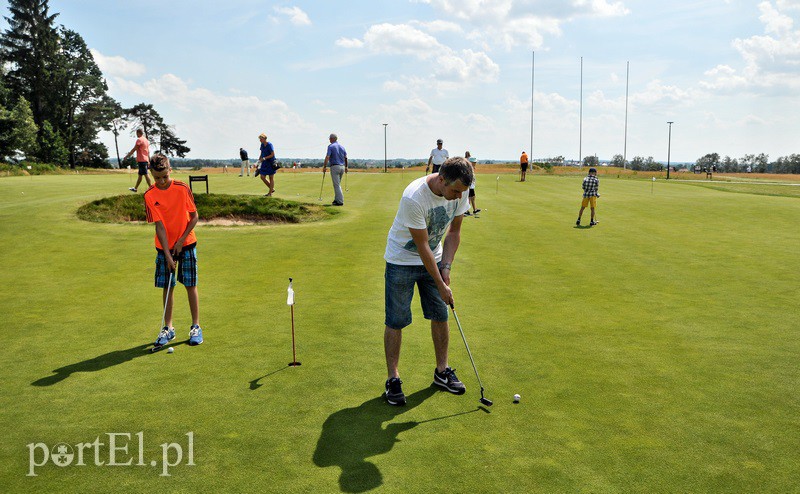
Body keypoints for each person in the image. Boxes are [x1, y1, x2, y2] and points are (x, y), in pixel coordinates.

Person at [382, 156, 474, 406]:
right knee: (396, 319)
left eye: (462, 192)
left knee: (440, 315)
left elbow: (454, 233)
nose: (458, 197)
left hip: (434, 258)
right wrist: (441, 284)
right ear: (441, 179)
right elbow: (421, 246)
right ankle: (393, 379)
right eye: (455, 190)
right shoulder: (414, 197)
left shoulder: (461, 191)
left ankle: (441, 372)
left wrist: (447, 266)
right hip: (401, 260)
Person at [143, 154, 203, 350]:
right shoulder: (149, 195)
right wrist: (168, 254)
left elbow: (194, 217)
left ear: (170, 170)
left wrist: (181, 240)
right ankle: (168, 328)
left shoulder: (182, 188)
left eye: (164, 177)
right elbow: (159, 227)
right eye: (156, 177)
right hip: (163, 248)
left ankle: (196, 326)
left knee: (190, 285)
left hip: (187, 243)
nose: (161, 182)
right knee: (168, 287)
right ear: (151, 174)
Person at [323, 133, 348, 206]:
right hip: (342, 167)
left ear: (332, 139)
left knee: (336, 185)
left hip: (335, 167)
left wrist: (324, 166)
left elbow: (327, 157)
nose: (329, 139)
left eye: (329, 138)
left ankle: (340, 201)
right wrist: (346, 167)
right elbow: (346, 157)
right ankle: (336, 200)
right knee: (338, 184)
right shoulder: (342, 147)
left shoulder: (330, 146)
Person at [464, 151, 480, 217]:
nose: (475, 163)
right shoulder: (469, 168)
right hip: (470, 185)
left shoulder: (471, 167)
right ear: (471, 162)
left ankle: (473, 210)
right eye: (474, 162)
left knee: (472, 197)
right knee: (470, 198)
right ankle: (466, 211)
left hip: (472, 185)